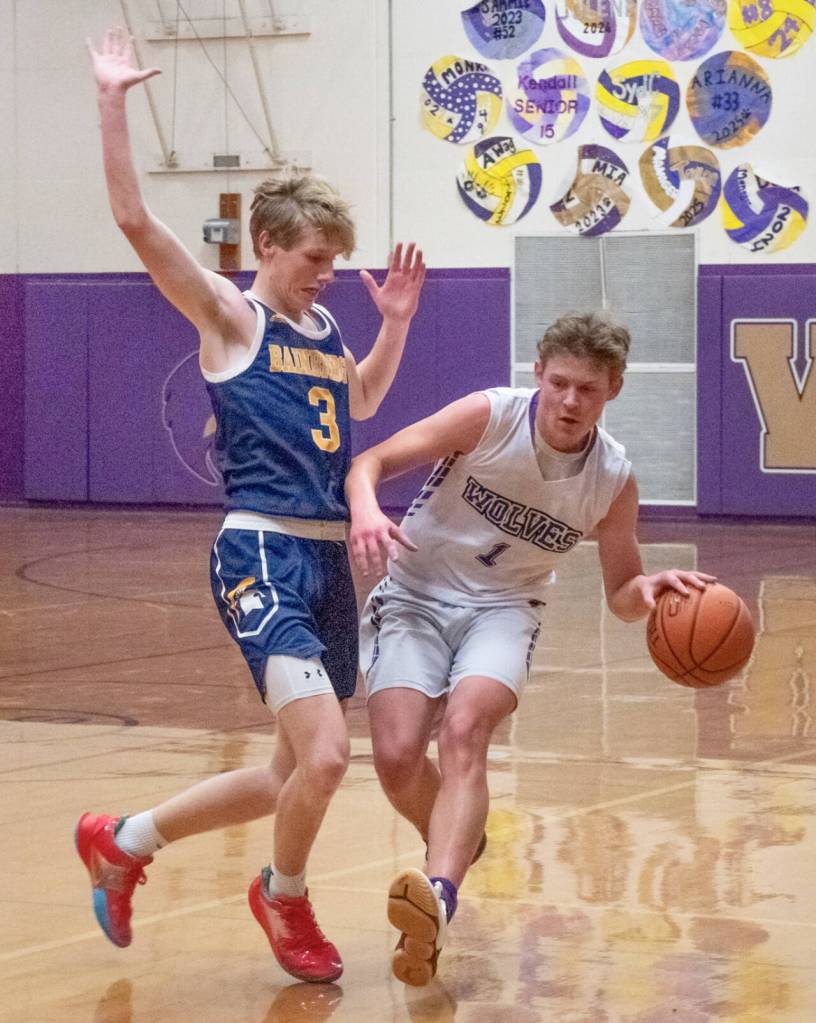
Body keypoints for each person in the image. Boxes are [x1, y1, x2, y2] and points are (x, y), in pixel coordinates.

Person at [76, 28, 425, 984]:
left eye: (334, 257)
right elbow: (136, 221)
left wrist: (392, 327)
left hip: (326, 565)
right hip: (262, 550)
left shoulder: (322, 326)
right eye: (315, 255)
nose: (325, 270)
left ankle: (123, 838)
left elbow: (360, 401)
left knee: (286, 774)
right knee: (327, 757)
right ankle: (283, 896)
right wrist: (113, 100)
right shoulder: (233, 317)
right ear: (268, 244)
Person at [345, 311, 715, 986]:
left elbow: (622, 591)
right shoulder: (488, 416)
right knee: (398, 757)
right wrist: (367, 509)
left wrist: (653, 586)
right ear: (539, 373)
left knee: (465, 731)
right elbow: (371, 461)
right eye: (563, 383)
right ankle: (460, 831)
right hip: (416, 591)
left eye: (590, 390)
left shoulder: (612, 477)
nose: (573, 401)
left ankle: (440, 897)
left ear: (615, 390)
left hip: (505, 609)